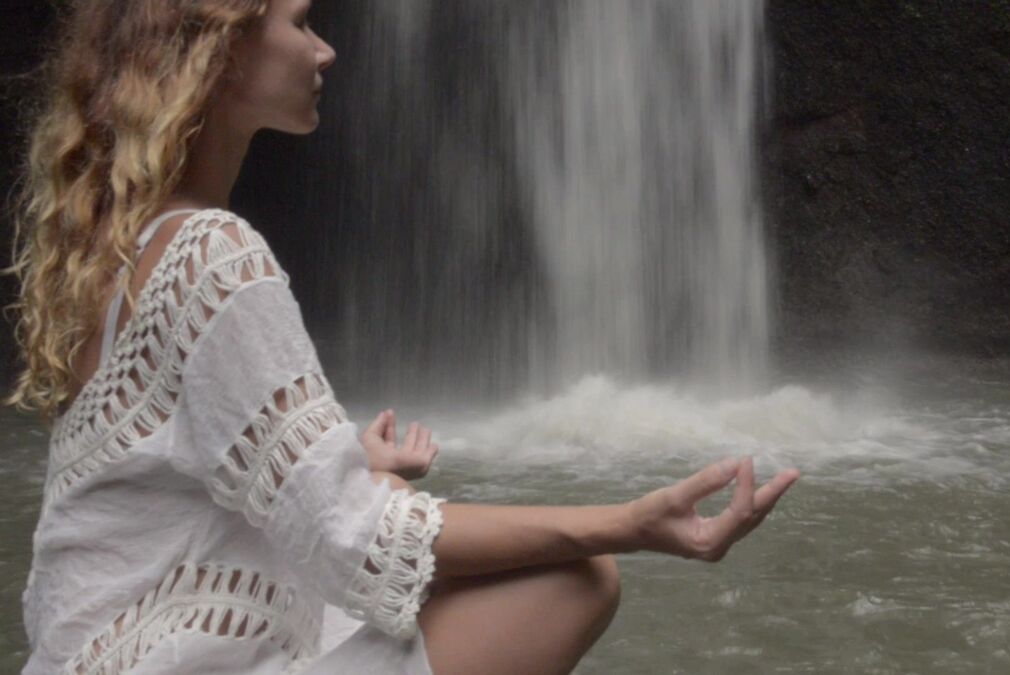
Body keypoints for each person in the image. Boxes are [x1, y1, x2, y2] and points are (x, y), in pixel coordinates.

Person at [4, 1, 801, 673]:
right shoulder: (209, 253)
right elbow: (355, 540)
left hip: (89, 653)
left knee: (387, 494)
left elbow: (148, 490)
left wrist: (333, 459)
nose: (326, 47)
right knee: (578, 574)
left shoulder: (116, 254)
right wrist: (635, 520)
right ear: (222, 52)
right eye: (301, 22)